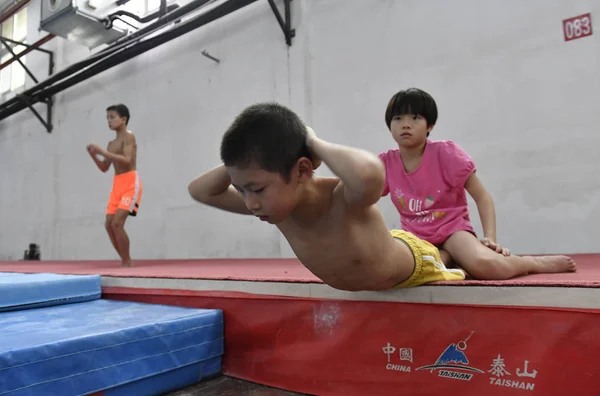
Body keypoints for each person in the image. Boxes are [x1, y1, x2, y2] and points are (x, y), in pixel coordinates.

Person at [188, 102, 465, 291]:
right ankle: (448, 252)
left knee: (491, 266)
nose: (250, 203)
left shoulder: (340, 198)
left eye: (257, 189)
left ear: (303, 169)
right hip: (378, 265)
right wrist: (244, 156)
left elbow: (370, 174)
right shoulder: (276, 207)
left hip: (416, 263)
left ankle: (471, 254)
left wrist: (312, 143)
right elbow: (199, 191)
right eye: (241, 189)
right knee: (450, 254)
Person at [378, 88, 576, 280]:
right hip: (415, 238)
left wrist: (490, 239)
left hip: (451, 231)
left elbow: (482, 197)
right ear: (389, 126)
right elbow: (359, 197)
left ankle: (530, 263)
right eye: (398, 118)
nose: (405, 124)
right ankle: (450, 260)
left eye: (415, 118)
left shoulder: (445, 154)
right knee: (400, 268)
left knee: (486, 266)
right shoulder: (384, 163)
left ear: (430, 126)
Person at [87, 104, 142, 267]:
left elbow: (127, 160)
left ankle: (127, 261)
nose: (109, 121)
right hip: (117, 184)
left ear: (123, 119)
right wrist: (94, 156)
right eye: (107, 118)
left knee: (118, 223)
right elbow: (105, 168)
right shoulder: (111, 144)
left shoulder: (129, 137)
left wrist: (102, 152)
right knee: (109, 224)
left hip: (131, 182)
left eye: (112, 117)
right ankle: (125, 259)